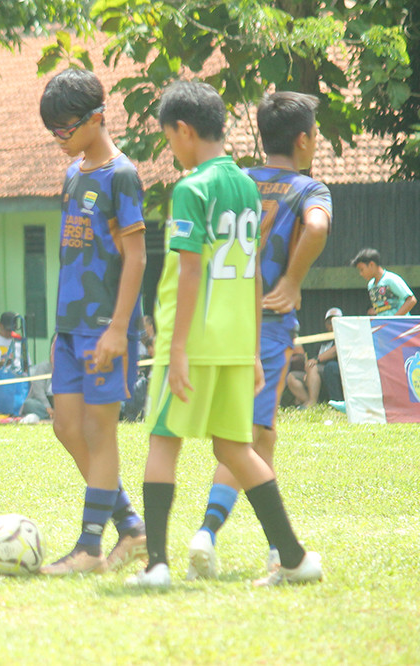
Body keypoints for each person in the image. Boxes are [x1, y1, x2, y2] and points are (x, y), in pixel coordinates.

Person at [128, 81, 321, 588]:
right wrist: (255, 350)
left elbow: (190, 273)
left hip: (192, 340)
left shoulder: (192, 189)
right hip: (238, 344)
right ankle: (297, 558)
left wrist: (178, 350)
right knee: (236, 449)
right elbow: (255, 272)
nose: (172, 149)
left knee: (164, 440)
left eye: (170, 138)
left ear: (185, 131)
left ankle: (157, 567)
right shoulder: (245, 187)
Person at [187, 91, 332, 580]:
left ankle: (250, 542)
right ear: (304, 140)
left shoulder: (239, 181)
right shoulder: (308, 189)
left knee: (243, 437)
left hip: (218, 322)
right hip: (265, 329)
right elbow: (315, 228)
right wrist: (291, 280)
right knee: (254, 439)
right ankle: (252, 543)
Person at [36, 68, 148, 575]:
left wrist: (119, 328)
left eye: (66, 129)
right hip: (69, 327)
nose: (60, 140)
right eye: (53, 131)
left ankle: (89, 548)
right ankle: (132, 527)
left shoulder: (120, 175)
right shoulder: (72, 173)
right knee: (65, 426)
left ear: (97, 117)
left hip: (107, 327)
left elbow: (137, 257)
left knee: (101, 434)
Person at [351, 248, 416, 317]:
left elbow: (411, 300)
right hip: (383, 325)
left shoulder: (391, 279)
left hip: (399, 326)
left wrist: (394, 319)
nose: (361, 273)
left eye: (362, 269)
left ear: (371, 265)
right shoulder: (371, 285)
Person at [317, 307, 344, 407]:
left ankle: (337, 402)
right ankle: (312, 402)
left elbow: (334, 351)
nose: (332, 325)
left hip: (345, 367)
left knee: (331, 367)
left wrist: (316, 360)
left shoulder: (345, 334)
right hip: (324, 370)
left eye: (336, 321)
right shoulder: (321, 340)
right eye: (329, 322)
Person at [285, 342, 321, 408]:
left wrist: (317, 359)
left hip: (323, 365)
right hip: (308, 368)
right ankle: (308, 403)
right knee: (290, 377)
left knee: (312, 368)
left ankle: (313, 401)